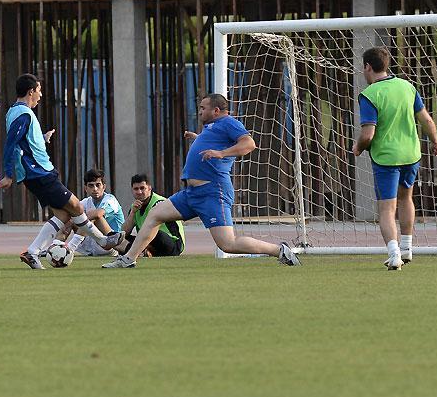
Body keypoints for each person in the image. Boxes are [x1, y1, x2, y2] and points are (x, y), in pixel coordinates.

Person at [102, 93, 300, 268]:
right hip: (191, 194)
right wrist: (199, 139)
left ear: (216, 110)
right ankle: (128, 259)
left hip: (213, 192)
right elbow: (213, 145)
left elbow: (249, 144)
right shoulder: (211, 127)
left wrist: (221, 153)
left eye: (203, 108)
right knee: (155, 215)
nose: (199, 111)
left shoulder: (228, 122)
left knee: (227, 244)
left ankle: (280, 250)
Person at [0, 73, 124, 269]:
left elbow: (24, 142)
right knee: (77, 207)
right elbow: (10, 143)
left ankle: (32, 252)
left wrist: (42, 138)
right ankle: (103, 240)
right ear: (31, 91)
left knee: (64, 216)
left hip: (36, 173)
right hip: (40, 174)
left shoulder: (14, 111)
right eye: (39, 90)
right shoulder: (23, 114)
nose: (41, 95)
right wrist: (8, 175)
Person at [352, 47, 437, 270]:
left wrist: (358, 148)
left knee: (386, 208)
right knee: (406, 199)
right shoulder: (407, 87)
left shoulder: (370, 94)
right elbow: (426, 120)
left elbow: (368, 134)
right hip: (411, 154)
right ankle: (407, 248)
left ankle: (394, 255)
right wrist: (435, 142)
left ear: (367, 67)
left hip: (387, 158)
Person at [117, 173, 185, 257]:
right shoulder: (134, 207)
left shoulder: (160, 203)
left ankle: (139, 251)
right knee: (119, 238)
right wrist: (133, 213)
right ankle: (144, 252)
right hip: (149, 243)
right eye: (136, 189)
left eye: (142, 188)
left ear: (149, 188)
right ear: (132, 190)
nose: (139, 192)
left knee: (153, 232)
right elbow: (125, 232)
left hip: (172, 244)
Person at [64, 169, 125, 256]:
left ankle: (71, 247)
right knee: (69, 219)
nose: (95, 189)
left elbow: (98, 214)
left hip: (111, 245)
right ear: (86, 188)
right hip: (91, 246)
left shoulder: (110, 199)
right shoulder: (85, 202)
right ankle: (57, 246)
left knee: (94, 217)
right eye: (91, 186)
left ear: (104, 187)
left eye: (98, 185)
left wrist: (76, 220)